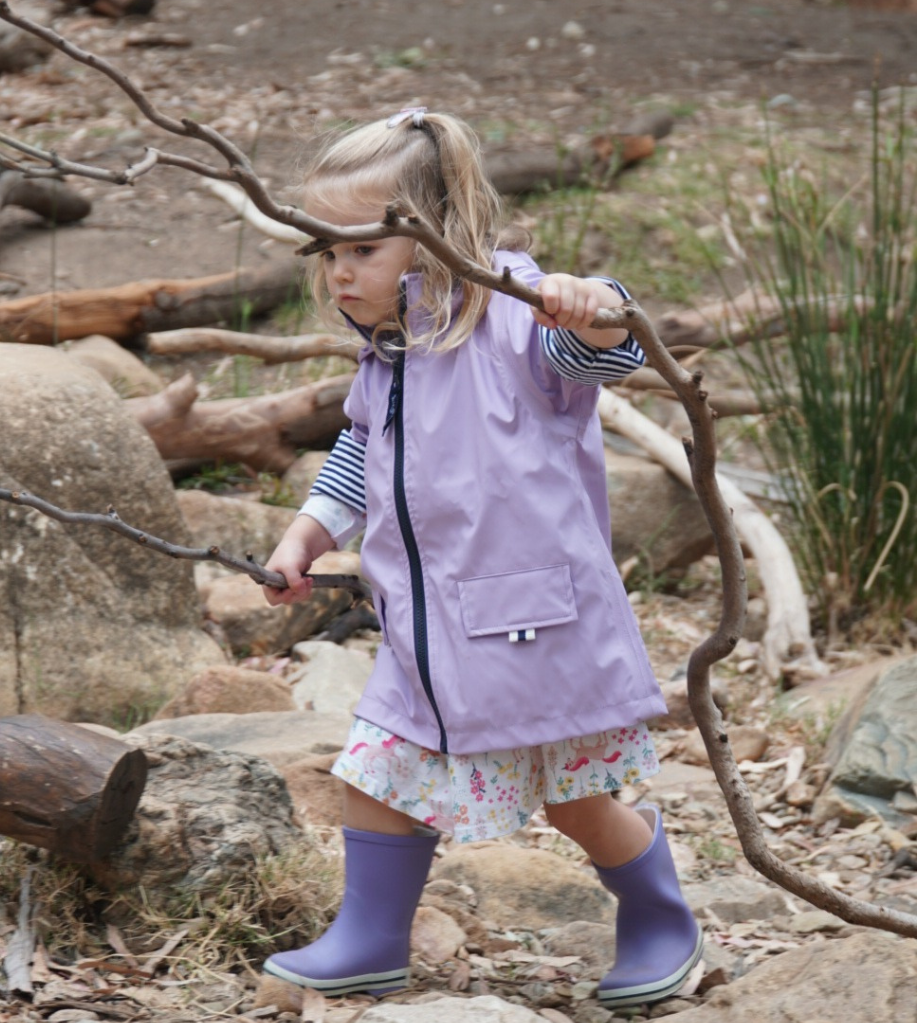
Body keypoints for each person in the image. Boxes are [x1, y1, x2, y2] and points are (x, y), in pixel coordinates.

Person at [260, 108, 702, 1010]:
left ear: (432, 238)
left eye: (362, 250)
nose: (340, 272)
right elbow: (358, 453)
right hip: (425, 631)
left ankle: (660, 914)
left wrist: (596, 302)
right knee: (377, 770)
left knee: (573, 800)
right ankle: (372, 936)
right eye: (327, 252)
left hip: (529, 626)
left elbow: (596, 350)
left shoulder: (515, 321)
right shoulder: (387, 352)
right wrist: (309, 533)